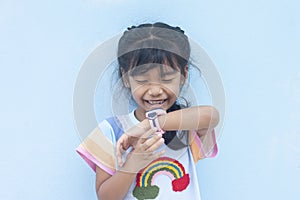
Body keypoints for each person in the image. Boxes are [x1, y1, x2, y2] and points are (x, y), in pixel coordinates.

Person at [76, 22, 219, 200]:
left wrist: (150, 124)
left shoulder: (185, 125)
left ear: (184, 75)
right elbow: (106, 197)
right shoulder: (111, 130)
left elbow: (211, 116)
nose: (155, 90)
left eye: (166, 79)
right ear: (126, 78)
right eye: (143, 80)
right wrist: (133, 162)